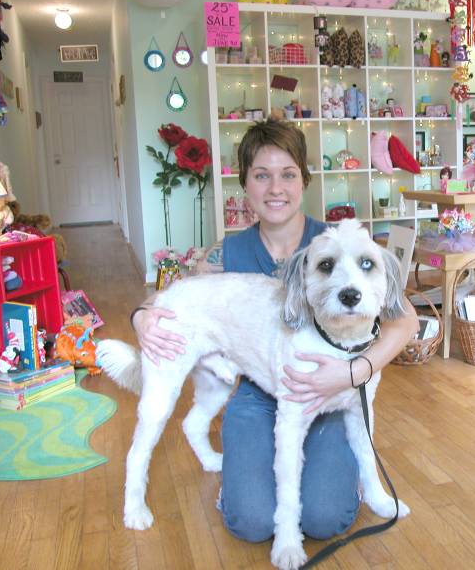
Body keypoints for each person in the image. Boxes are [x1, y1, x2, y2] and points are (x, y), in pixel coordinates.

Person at [131, 119, 418, 542]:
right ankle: (227, 485)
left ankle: (349, 482)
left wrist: (353, 373)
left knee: (324, 519)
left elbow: (405, 319)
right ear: (243, 184)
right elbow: (179, 294)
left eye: (287, 174)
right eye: (261, 176)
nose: (275, 188)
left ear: (304, 179)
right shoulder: (224, 253)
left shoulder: (336, 243)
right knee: (251, 522)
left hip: (334, 392)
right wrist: (140, 316)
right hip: (257, 392)